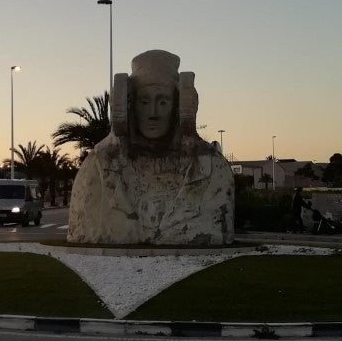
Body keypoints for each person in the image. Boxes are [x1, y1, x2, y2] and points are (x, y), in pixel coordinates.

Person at [67, 49, 235, 245]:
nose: (153, 113)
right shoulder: (98, 167)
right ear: (128, 104)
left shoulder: (212, 168)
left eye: (163, 102)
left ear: (180, 105)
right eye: (144, 102)